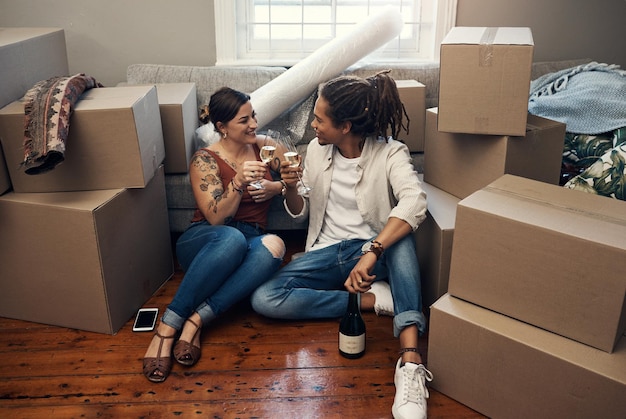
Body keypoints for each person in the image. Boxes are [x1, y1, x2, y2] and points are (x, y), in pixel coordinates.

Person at [250, 71, 433, 419]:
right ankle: (371, 299)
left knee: (402, 238)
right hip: (327, 252)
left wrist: (373, 251)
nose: (313, 126)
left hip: (373, 250)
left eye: (319, 119)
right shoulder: (317, 152)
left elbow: (414, 202)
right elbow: (300, 213)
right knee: (264, 298)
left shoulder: (391, 153)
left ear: (345, 126)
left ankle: (410, 361)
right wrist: (289, 187)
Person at [143, 87, 287, 383]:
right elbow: (216, 217)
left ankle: (196, 321)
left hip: (251, 239)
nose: (254, 125)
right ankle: (167, 328)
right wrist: (237, 182)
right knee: (230, 238)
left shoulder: (267, 147)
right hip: (208, 238)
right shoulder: (204, 159)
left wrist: (278, 187)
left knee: (276, 245)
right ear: (222, 127)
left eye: (254, 116)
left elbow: (300, 181)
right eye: (243, 120)